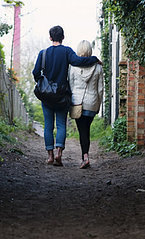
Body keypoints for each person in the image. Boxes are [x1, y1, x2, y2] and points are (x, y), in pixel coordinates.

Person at [33, 26, 101, 166]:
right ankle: (59, 153)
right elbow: (79, 61)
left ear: (50, 37)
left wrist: (43, 82)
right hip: (62, 96)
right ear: (63, 37)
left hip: (46, 96)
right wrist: (94, 59)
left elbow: (35, 73)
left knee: (48, 126)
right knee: (61, 124)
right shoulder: (67, 51)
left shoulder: (43, 53)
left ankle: (50, 156)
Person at [68, 40, 104, 169]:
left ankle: (85, 157)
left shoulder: (72, 67)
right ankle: (85, 156)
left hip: (77, 102)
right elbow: (100, 89)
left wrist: (72, 100)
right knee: (86, 129)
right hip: (92, 102)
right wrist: (98, 105)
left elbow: (71, 85)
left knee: (82, 130)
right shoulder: (98, 67)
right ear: (90, 51)